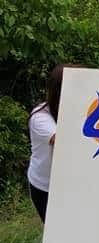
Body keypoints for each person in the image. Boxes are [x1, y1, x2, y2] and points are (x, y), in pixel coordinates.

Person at [27, 64, 64, 222]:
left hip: (67, 184)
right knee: (55, 233)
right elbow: (63, 141)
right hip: (45, 187)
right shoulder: (40, 117)